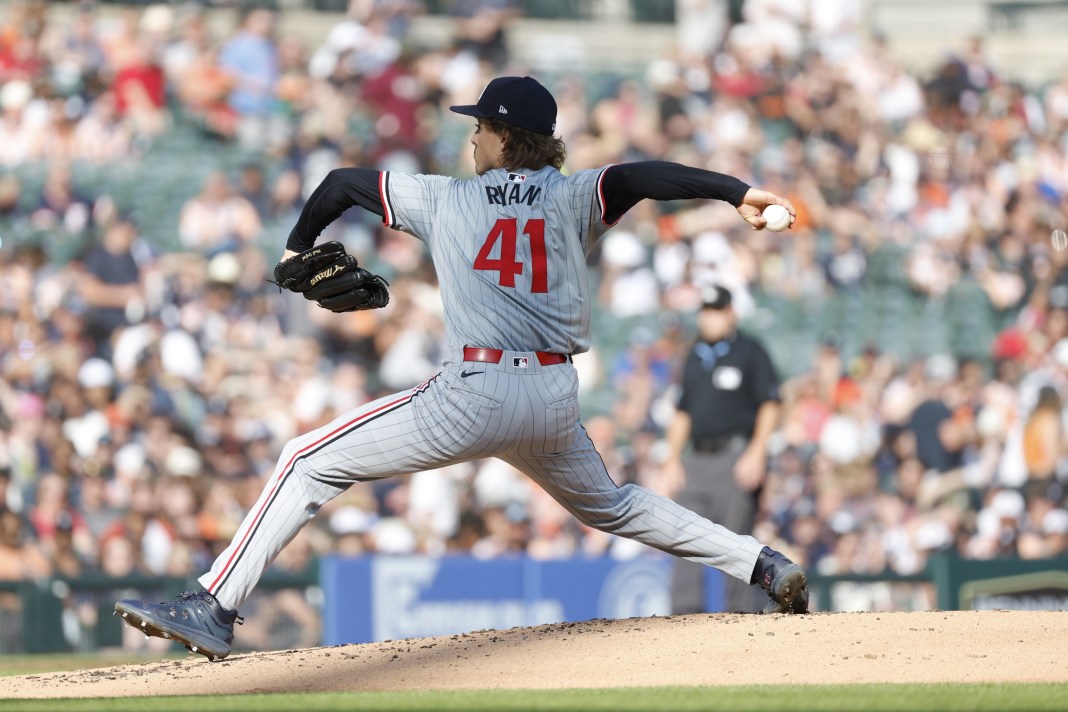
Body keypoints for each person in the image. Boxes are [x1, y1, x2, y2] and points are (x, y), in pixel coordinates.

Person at [115, 75, 807, 661]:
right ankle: (760, 563)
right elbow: (644, 177)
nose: (471, 138)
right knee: (616, 505)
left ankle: (214, 605)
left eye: (480, 128)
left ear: (506, 138)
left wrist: (299, 247)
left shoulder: (447, 197)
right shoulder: (572, 197)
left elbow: (339, 183)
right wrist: (735, 191)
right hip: (553, 398)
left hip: (473, 394)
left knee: (306, 459)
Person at [663, 284, 783, 614]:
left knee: (735, 543)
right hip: (697, 459)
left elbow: (770, 404)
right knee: (682, 534)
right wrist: (672, 459)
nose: (710, 318)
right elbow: (683, 412)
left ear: (730, 313)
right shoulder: (694, 355)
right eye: (705, 311)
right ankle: (684, 616)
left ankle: (741, 619)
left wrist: (757, 451)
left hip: (736, 456)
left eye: (716, 311)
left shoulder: (750, 351)